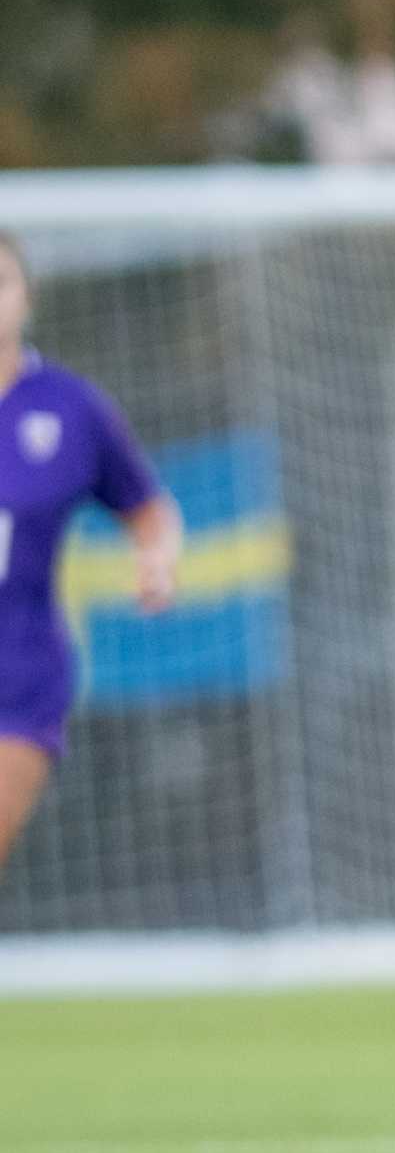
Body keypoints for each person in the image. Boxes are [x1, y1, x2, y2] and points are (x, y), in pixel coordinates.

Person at [0, 231, 181, 881]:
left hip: (18, 671)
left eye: (1, 282)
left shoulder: (69, 409)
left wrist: (157, 559)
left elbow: (148, 509)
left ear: (27, 296)